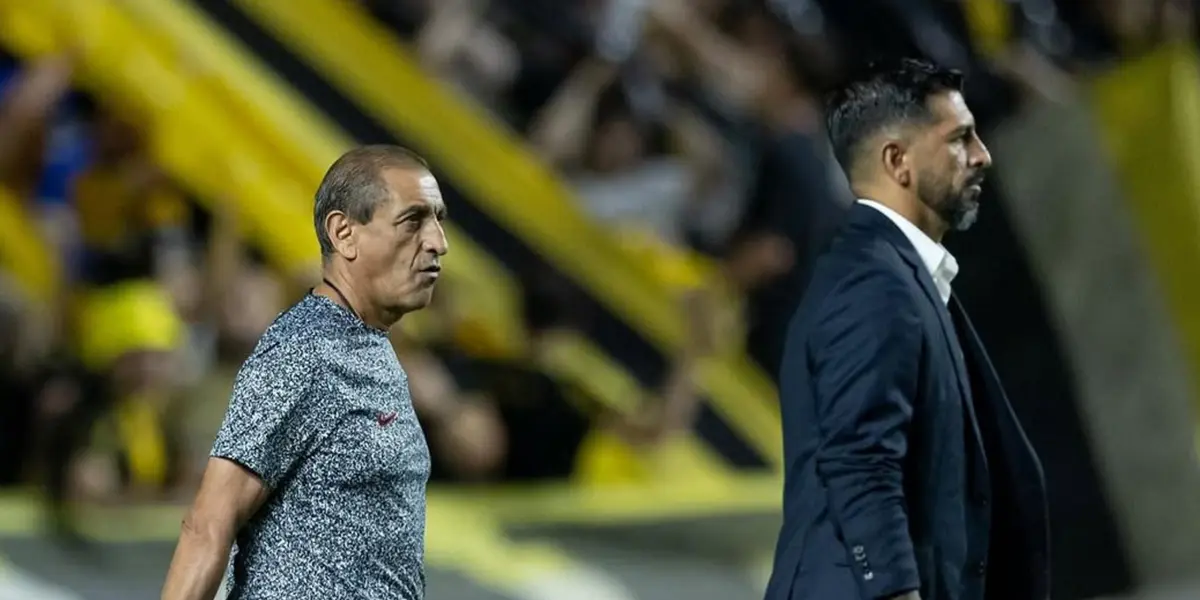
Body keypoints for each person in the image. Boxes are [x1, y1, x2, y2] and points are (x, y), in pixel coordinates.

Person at [764, 59, 1049, 600]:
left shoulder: (900, 276)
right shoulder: (873, 284)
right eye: (961, 139)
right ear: (898, 162)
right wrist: (894, 591)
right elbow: (859, 459)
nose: (982, 155)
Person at [160, 145, 448, 600]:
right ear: (344, 233)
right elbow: (208, 522)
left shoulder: (370, 344)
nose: (437, 242)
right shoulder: (304, 349)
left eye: (438, 220)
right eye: (413, 221)